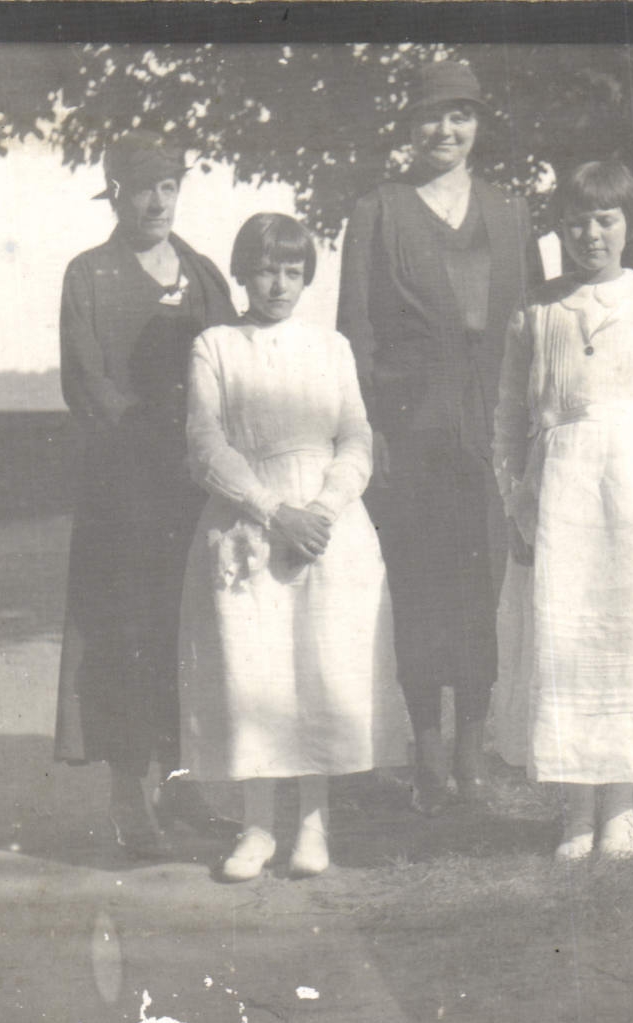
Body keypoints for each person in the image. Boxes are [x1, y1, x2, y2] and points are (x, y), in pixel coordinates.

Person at [177, 213, 406, 881]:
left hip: (327, 525)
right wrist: (273, 513)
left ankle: (313, 822)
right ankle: (256, 827)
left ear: (306, 277)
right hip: (249, 521)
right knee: (256, 671)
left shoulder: (330, 348)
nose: (277, 285)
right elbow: (206, 444)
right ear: (242, 273)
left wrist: (324, 510)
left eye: (291, 271)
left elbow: (355, 437)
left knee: (320, 666)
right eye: (264, 270)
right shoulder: (216, 346)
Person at [492, 161, 633, 860]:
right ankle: (575, 809)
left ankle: (620, 806)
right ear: (560, 229)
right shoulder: (536, 311)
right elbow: (508, 419)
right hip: (559, 491)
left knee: (627, 638)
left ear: (628, 225)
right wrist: (515, 501)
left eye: (606, 220)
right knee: (568, 643)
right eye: (577, 222)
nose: (591, 234)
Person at [338, 60, 538, 814]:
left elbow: (533, 329)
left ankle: (471, 754)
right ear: (409, 127)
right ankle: (426, 752)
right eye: (430, 116)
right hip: (410, 431)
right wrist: (370, 428)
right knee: (420, 586)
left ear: (478, 125)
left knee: (483, 585)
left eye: (460, 115)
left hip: (492, 431)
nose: (444, 130)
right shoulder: (379, 211)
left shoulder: (511, 213)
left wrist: (530, 434)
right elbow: (354, 332)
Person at [55, 129, 239, 858]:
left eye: (169, 186)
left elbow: (233, 369)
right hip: (124, 488)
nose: (157, 202)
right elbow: (86, 380)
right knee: (125, 634)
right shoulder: (89, 274)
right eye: (142, 188)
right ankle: (130, 793)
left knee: (188, 633)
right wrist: (156, 442)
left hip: (192, 489)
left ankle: (183, 785)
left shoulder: (202, 273)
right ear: (116, 193)